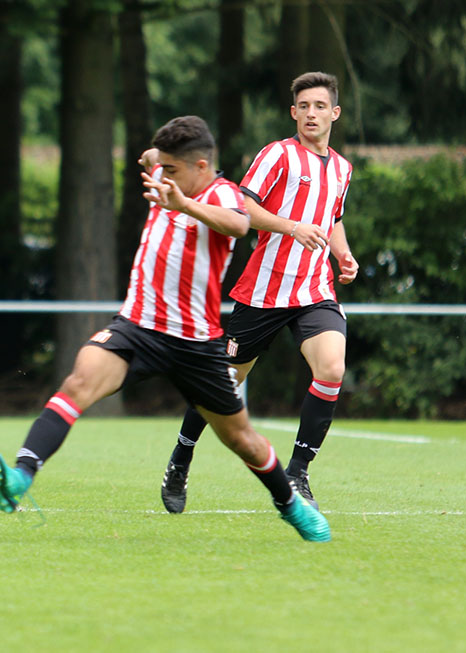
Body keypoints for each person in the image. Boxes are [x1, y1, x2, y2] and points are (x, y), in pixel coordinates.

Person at [0, 115, 331, 541]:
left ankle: (290, 506)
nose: (163, 176)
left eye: (173, 169)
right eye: (161, 168)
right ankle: (21, 476)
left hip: (196, 343)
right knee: (78, 382)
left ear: (201, 167)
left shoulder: (222, 193)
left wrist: (182, 204)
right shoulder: (166, 173)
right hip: (138, 327)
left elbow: (240, 225)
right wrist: (155, 158)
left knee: (242, 440)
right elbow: (152, 157)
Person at [159, 71, 357, 514]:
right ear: (293, 112)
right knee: (222, 387)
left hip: (314, 290)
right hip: (265, 292)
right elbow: (241, 206)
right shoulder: (277, 155)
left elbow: (333, 217)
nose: (311, 113)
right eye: (304, 106)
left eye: (320, 106)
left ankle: (298, 472)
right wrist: (291, 227)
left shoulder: (342, 168)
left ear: (334, 113)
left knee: (331, 367)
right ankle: (180, 458)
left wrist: (343, 255)